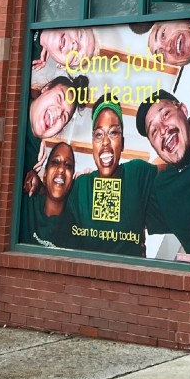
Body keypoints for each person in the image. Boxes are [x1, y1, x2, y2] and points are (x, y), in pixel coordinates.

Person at [63, 95, 158, 257]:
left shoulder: (136, 173)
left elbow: (174, 167)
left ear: (123, 143)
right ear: (93, 142)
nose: (105, 142)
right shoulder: (81, 186)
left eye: (113, 133)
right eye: (99, 134)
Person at [136, 91, 190, 255]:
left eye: (165, 115)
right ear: (155, 148)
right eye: (154, 131)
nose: (162, 130)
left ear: (183, 110)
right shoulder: (162, 191)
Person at [21, 142, 76, 248]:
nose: (61, 169)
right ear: (45, 174)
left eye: (68, 165)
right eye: (55, 162)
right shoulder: (27, 204)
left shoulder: (76, 227)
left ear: (72, 181)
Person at [29, 75, 89, 140]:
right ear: (46, 88)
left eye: (64, 117)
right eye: (59, 98)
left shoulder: (36, 149)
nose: (59, 113)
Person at [33, 28, 97, 71]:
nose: (75, 46)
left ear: (61, 66)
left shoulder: (28, 57)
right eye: (80, 36)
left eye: (76, 58)